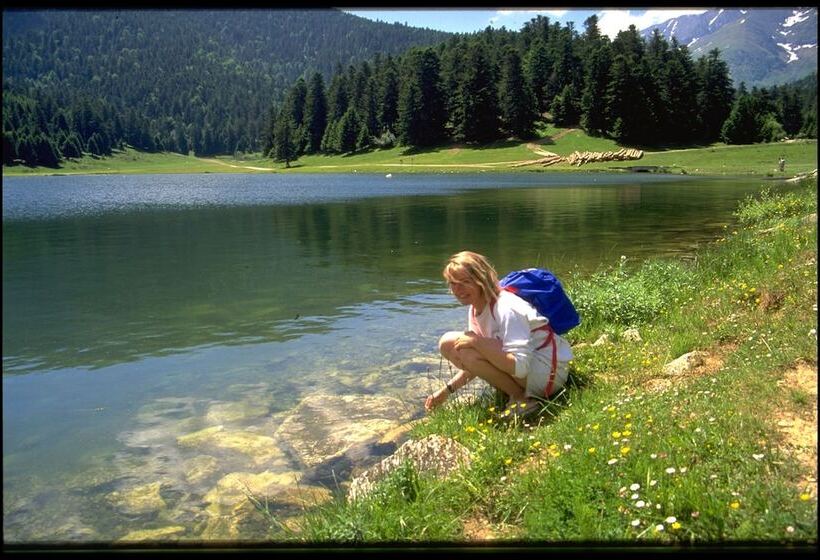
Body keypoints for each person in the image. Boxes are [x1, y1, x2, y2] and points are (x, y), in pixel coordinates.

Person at [425, 251, 574, 415]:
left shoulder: (506, 307)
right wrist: (446, 391)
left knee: (466, 345)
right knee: (450, 343)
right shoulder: (476, 308)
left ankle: (521, 399)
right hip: (531, 373)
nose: (457, 289)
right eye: (453, 283)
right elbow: (476, 361)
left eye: (465, 282)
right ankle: (516, 393)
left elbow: (520, 367)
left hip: (549, 378)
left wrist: (477, 342)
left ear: (481, 281)